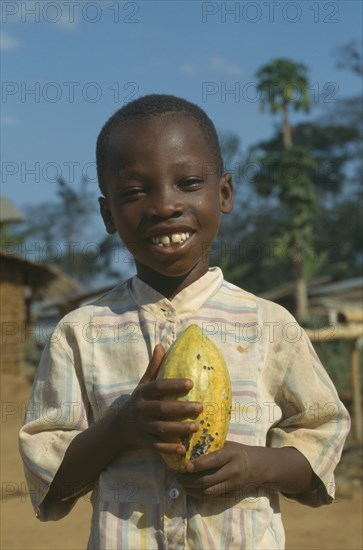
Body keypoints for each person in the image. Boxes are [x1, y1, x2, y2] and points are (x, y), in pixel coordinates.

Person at [19, 94, 350, 549]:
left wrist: (257, 466)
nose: (164, 206)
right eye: (136, 192)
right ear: (108, 215)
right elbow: (49, 476)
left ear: (225, 193)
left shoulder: (269, 325)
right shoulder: (80, 332)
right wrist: (123, 426)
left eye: (188, 182)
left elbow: (323, 435)